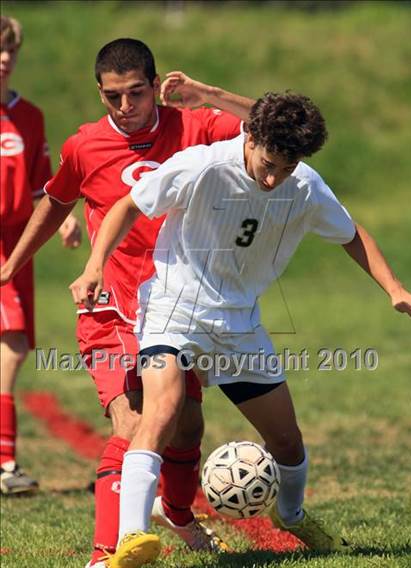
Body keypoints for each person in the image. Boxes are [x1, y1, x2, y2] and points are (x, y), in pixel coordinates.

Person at [72, 90, 411, 566]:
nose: (275, 178)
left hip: (238, 324)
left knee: (286, 441)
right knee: (163, 409)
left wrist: (394, 289)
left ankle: (292, 515)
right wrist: (94, 267)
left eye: (289, 166)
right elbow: (127, 206)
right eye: (270, 163)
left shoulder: (304, 186)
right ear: (250, 136)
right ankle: (132, 537)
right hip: (174, 307)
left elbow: (351, 233)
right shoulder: (203, 165)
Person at [0, 37, 254, 566]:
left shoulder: (194, 127)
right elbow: (54, 203)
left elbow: (271, 125)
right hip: (110, 307)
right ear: (100, 93)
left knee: (186, 424)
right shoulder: (85, 146)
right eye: (113, 96)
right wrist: (12, 266)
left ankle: (178, 515)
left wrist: (207, 93)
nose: (125, 106)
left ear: (156, 87)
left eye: (136, 93)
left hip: (177, 308)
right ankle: (103, 556)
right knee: (134, 422)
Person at [0, 16, 81, 496]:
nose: (5, 57)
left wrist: (63, 216)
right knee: (10, 346)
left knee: (16, 345)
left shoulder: (29, 116)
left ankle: (6, 462)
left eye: (11, 49)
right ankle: (6, 463)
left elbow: (39, 188)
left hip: (16, 247)